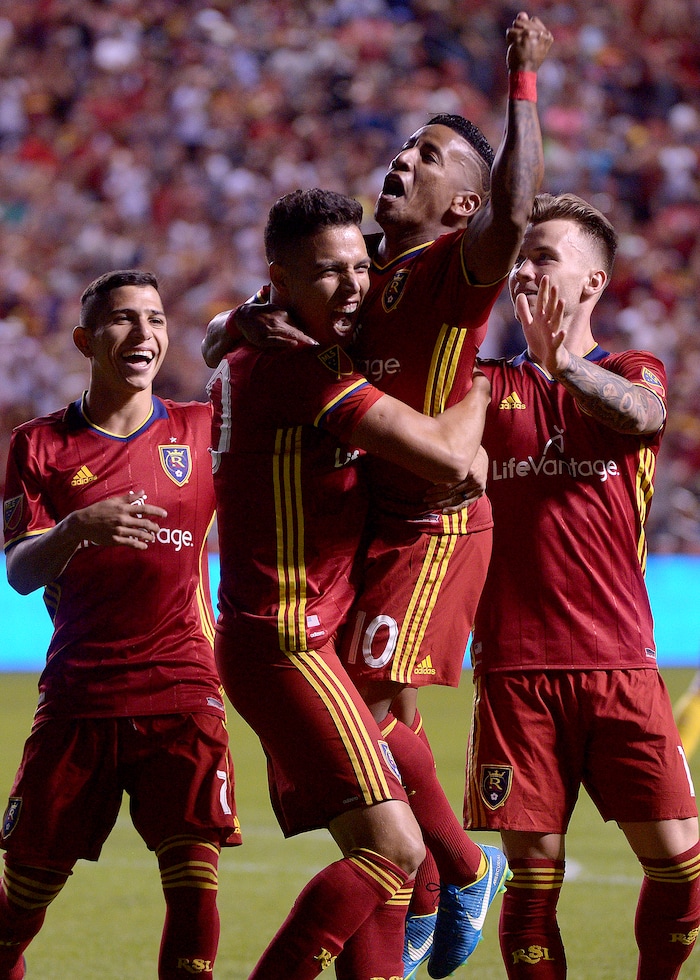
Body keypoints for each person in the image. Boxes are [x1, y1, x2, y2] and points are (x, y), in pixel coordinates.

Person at [203, 13, 553, 978]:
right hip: (371, 525)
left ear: (462, 204)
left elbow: (515, 213)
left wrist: (522, 83)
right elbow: (250, 316)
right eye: (405, 146)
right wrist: (233, 322)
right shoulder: (360, 276)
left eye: (429, 157)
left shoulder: (452, 268)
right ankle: (431, 879)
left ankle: (450, 875)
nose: (404, 159)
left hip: (432, 524)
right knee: (369, 740)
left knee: (369, 731)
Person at [207, 187, 495, 980]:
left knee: (382, 838)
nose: (352, 287)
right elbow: (447, 457)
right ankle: (464, 870)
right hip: (287, 641)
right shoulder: (297, 367)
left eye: (359, 268)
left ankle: (450, 882)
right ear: (280, 281)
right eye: (327, 273)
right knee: (393, 849)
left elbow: (216, 336)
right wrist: (484, 388)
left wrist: (231, 319)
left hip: (297, 635)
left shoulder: (255, 344)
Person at [464, 192, 700, 979]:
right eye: (519, 258)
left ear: (593, 282)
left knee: (683, 870)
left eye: (544, 256)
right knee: (533, 887)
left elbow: (642, 416)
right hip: (515, 671)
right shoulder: (482, 386)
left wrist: (561, 362)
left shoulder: (633, 370)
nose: (524, 270)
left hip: (621, 663)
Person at [0, 270, 241, 980]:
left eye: (156, 319)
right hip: (81, 697)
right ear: (85, 339)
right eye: (123, 319)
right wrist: (76, 528)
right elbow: (19, 571)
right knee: (20, 906)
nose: (143, 333)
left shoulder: (203, 429)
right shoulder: (39, 444)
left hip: (183, 690)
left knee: (194, 887)